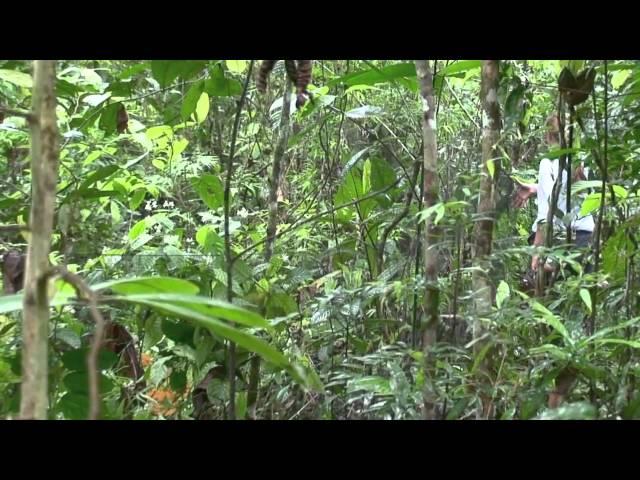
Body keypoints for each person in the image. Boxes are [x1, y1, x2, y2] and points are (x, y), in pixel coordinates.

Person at [513, 114, 594, 273]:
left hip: (560, 241)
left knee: (540, 288)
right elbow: (568, 190)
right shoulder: (582, 163)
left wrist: (537, 252)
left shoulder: (548, 163)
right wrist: (536, 188)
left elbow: (546, 214)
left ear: (548, 135)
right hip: (586, 239)